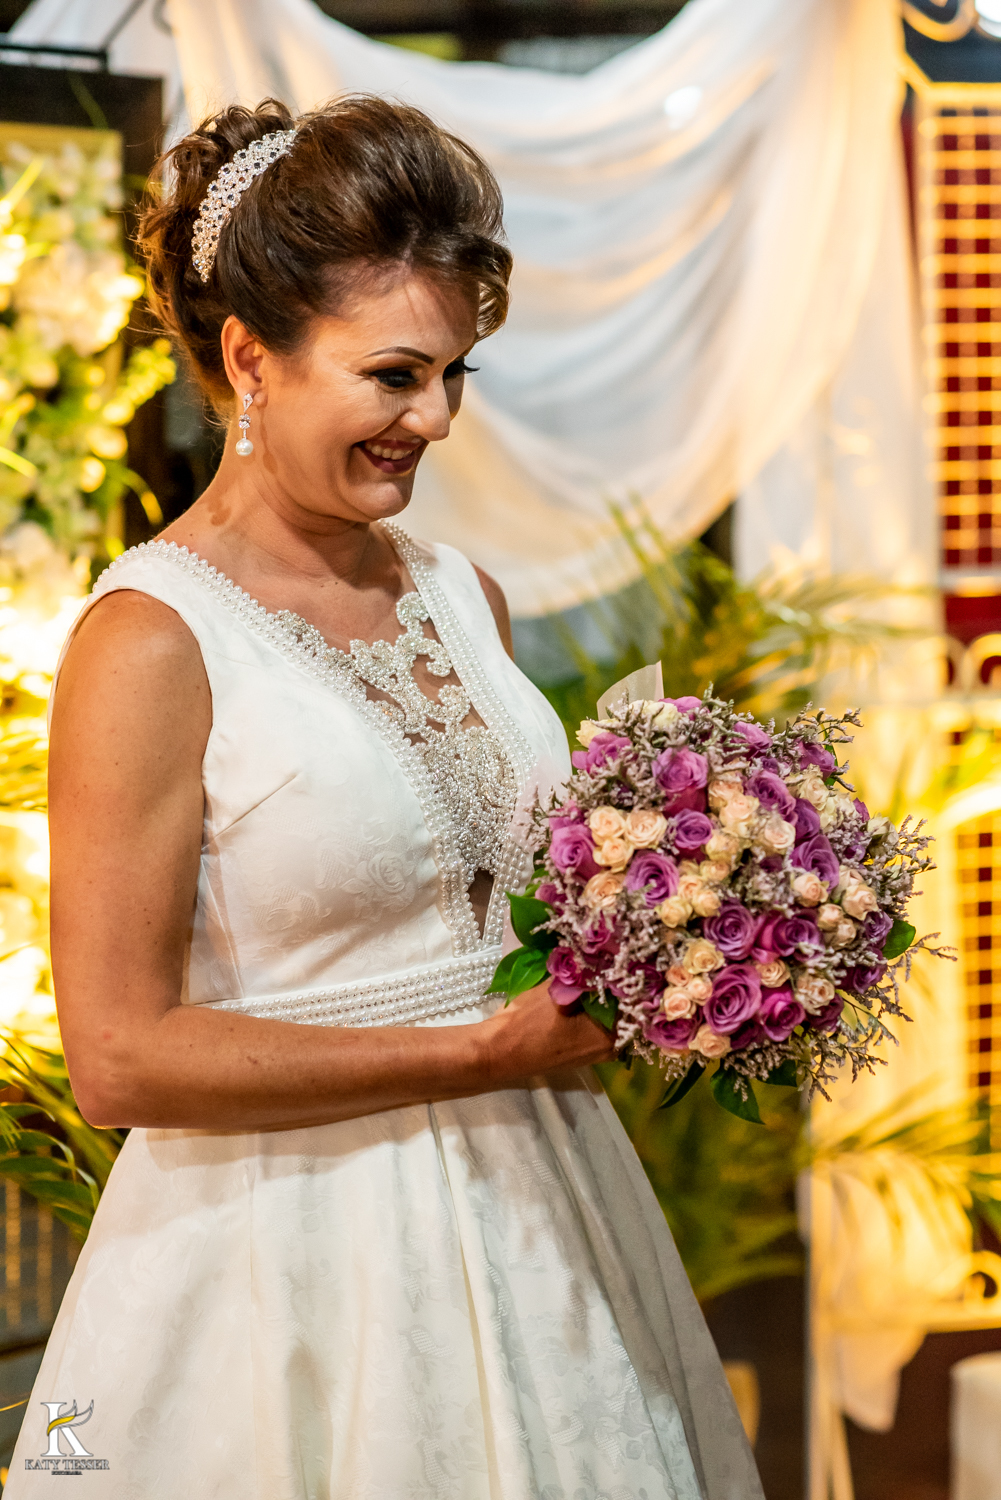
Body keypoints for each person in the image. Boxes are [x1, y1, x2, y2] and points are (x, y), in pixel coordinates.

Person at [9, 96, 763, 1498]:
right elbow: (118, 1058)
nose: (432, 419)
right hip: (284, 1264)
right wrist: (472, 1058)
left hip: (549, 1209)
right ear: (251, 358)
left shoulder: (460, 595)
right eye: (393, 374)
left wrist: (702, 929)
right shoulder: (150, 642)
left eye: (456, 375)